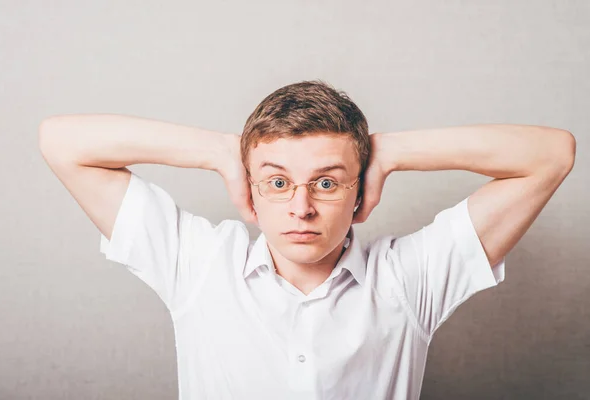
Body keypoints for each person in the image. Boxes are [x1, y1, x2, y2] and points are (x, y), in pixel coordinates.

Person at [38, 80, 575, 399]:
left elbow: (551, 155)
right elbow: (61, 141)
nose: (301, 206)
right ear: (250, 187)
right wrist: (222, 152)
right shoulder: (199, 264)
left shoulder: (409, 280)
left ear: (358, 189)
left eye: (325, 182)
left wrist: (388, 153)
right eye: (277, 182)